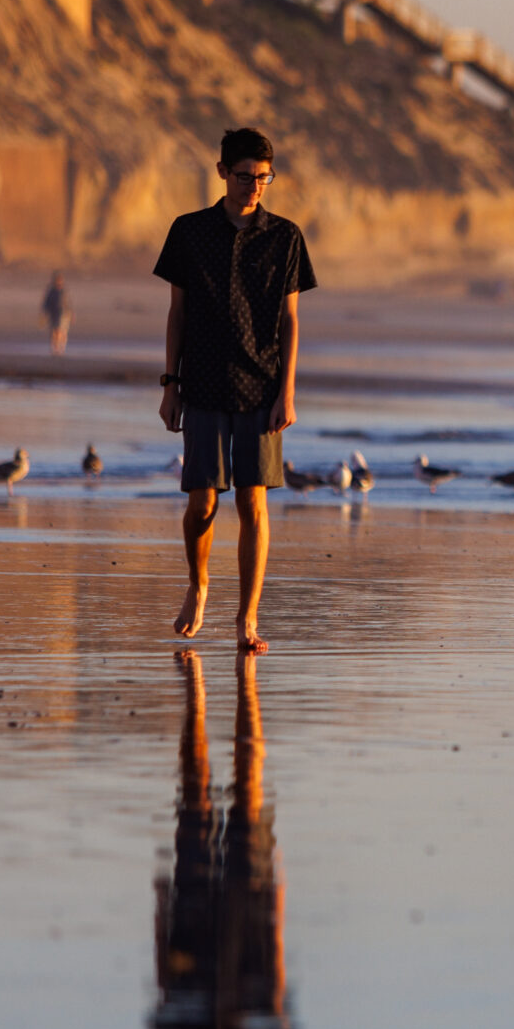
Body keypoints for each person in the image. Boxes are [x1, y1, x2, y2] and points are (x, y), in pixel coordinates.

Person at [155, 129, 316, 653]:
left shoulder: (286, 237)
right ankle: (198, 585)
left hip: (262, 385)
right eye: (245, 176)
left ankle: (248, 617)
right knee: (201, 503)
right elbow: (177, 314)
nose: (255, 186)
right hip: (200, 381)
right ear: (222, 171)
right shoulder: (188, 231)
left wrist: (287, 392)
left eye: (264, 177)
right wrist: (170, 384)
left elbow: (291, 321)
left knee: (254, 504)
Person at [151, 647, 292, 1029]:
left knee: (201, 792)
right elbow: (275, 965)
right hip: (246, 904)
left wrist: (159, 911)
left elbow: (166, 979)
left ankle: (208, 691)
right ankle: (227, 687)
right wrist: (276, 897)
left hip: (195, 911)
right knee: (237, 794)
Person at [41, 269, 72, 354]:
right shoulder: (51, 291)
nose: (59, 281)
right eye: (58, 280)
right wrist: (44, 313)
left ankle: (61, 348)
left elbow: (68, 303)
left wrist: (71, 314)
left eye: (60, 280)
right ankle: (55, 348)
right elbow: (46, 303)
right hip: (54, 314)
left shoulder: (64, 291)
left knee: (63, 331)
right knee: (54, 331)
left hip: (64, 314)